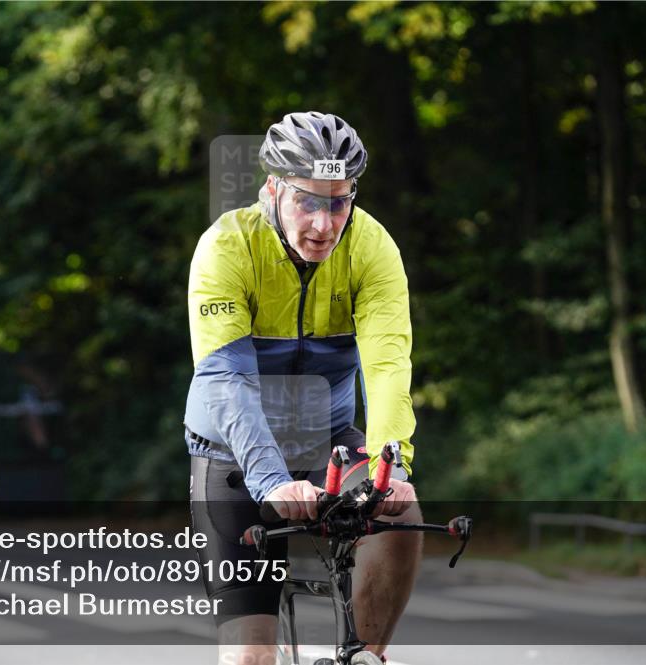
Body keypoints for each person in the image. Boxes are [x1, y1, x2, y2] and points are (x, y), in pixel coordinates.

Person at [186, 112, 421, 664]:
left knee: (400, 515)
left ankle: (367, 654)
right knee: (250, 657)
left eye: (339, 201)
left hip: (328, 438)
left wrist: (392, 467)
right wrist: (270, 480)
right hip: (231, 452)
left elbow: (387, 367)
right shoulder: (226, 247)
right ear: (272, 188)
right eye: (307, 201)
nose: (324, 222)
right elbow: (227, 379)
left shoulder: (372, 247)